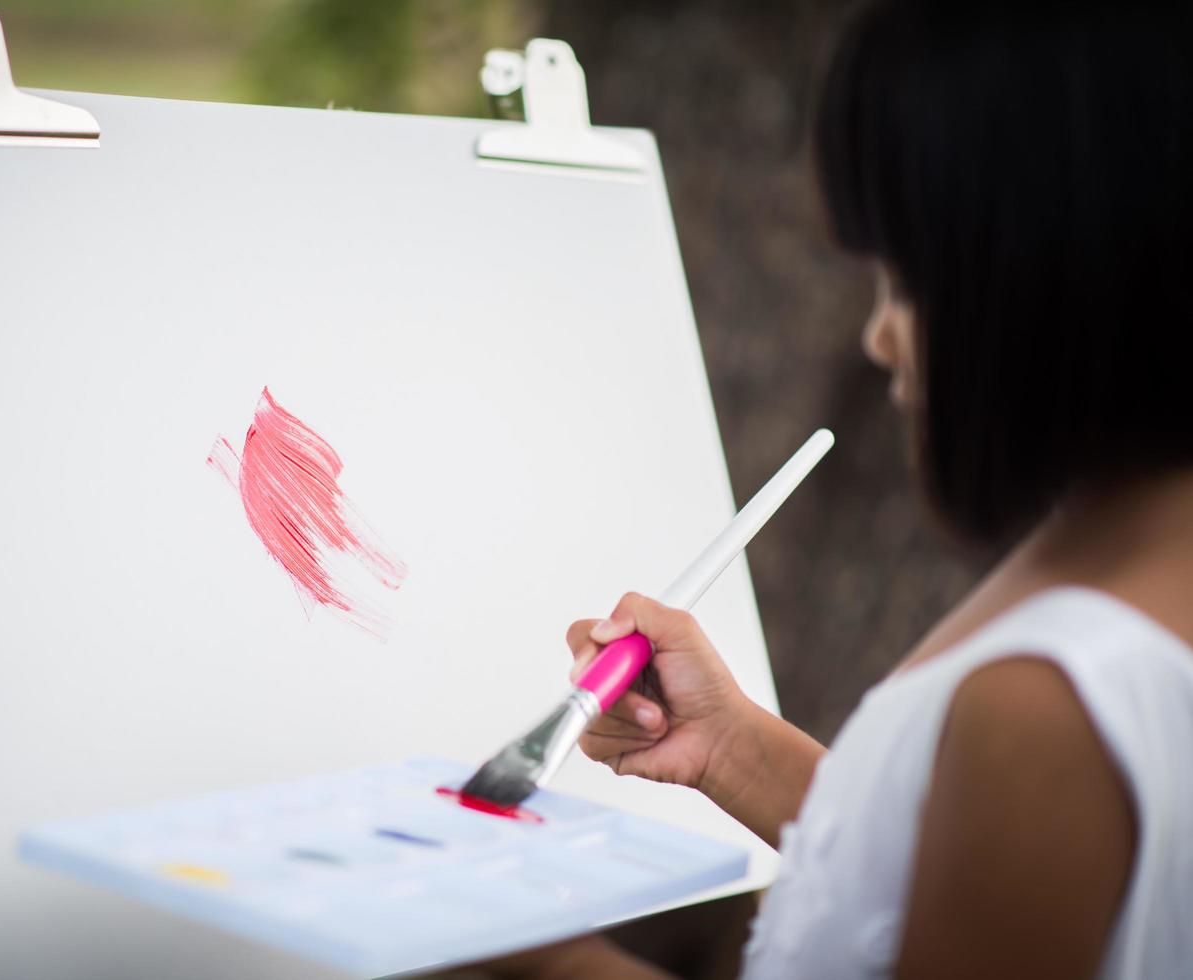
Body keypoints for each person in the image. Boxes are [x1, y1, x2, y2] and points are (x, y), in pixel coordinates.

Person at [479, 1, 1193, 977]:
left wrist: (545, 962)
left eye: (906, 274)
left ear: (1045, 272)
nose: (878, 333)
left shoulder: (1043, 704)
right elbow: (970, 868)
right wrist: (730, 746)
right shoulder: (1125, 537)